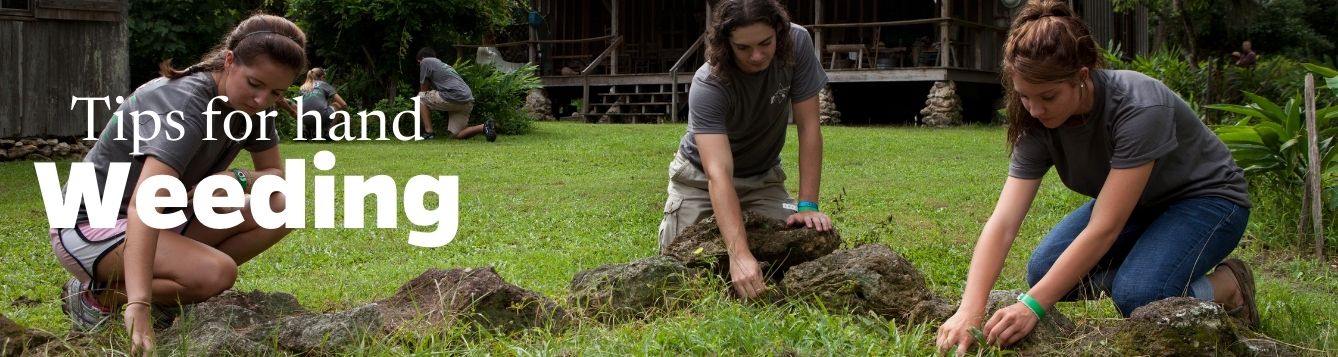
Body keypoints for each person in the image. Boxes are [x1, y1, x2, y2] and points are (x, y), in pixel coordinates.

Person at [935, 2, 1257, 355]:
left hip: (1208, 201)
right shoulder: (1035, 122)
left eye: (1048, 96)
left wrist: (1033, 306)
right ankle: (1149, 265)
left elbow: (1105, 226)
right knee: (1044, 271)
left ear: (1082, 77)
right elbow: (1004, 222)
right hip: (1141, 205)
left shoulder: (1140, 107)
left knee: (1140, 296)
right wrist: (970, 308)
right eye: (1024, 96)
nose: (1035, 109)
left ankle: (1228, 285)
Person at [50, 14, 306, 355]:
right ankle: (98, 298)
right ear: (229, 61)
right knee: (216, 273)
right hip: (91, 224)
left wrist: (236, 178)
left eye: (276, 92)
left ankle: (175, 289)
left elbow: (276, 182)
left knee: (283, 210)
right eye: (255, 84)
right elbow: (143, 203)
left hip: (162, 215)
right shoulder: (185, 105)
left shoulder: (255, 111)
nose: (261, 101)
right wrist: (138, 303)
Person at [657, 0, 832, 300]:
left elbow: (809, 129)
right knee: (676, 275)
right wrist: (738, 254)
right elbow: (718, 174)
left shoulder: (798, 43)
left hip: (762, 178)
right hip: (699, 179)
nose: (757, 56)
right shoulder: (708, 83)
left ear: (779, 31)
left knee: (797, 255)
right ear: (726, 45)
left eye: (766, 43)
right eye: (743, 48)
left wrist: (807, 205)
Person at [415, 47, 496, 141]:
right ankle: (484, 126)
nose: (419, 65)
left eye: (418, 62)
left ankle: (429, 133)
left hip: (453, 96)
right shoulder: (445, 66)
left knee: (420, 97)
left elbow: (424, 91)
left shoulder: (425, 61)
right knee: (455, 135)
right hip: (467, 100)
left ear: (422, 58)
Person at [295, 67, 348, 139]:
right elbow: (343, 104)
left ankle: (306, 130)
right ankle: (328, 132)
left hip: (305, 120)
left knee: (306, 108)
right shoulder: (324, 84)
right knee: (337, 105)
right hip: (323, 118)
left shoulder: (302, 87)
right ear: (322, 77)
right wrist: (347, 115)